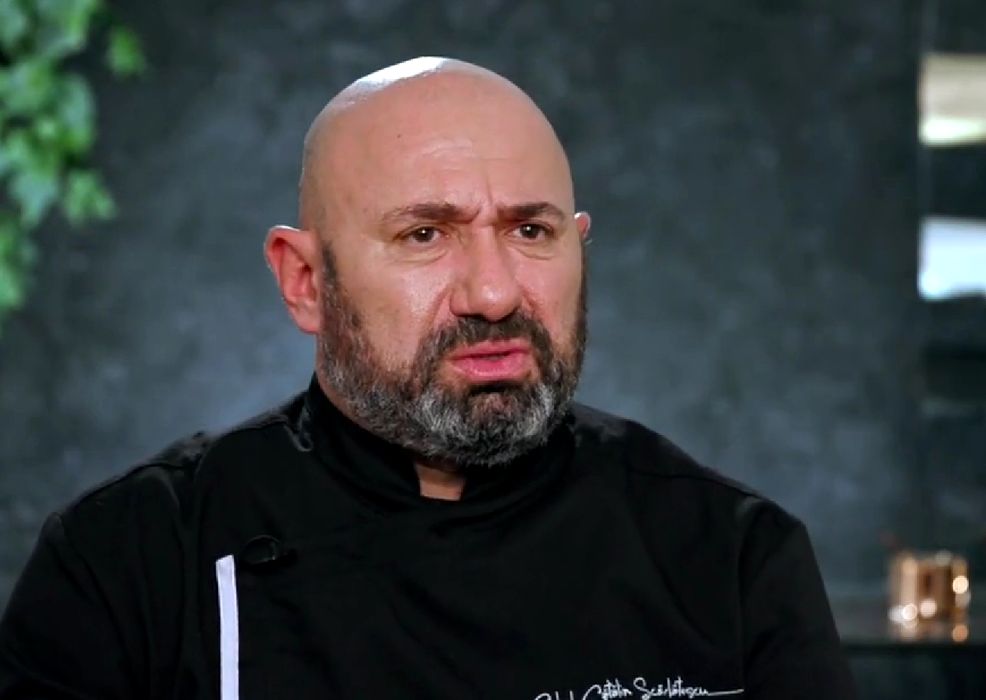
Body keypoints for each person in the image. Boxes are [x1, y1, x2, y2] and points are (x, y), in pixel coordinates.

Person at [0, 57, 856, 699]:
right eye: (425, 235)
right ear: (306, 282)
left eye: (530, 232)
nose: (493, 293)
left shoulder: (730, 557)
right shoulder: (131, 564)